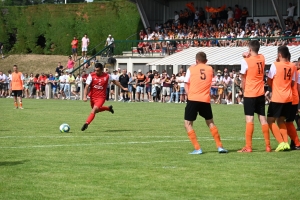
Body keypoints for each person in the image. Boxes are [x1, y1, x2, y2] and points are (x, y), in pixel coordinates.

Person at [184, 52, 228, 154]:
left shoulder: (191, 69)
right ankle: (220, 146)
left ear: (196, 60)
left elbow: (186, 84)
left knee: (188, 123)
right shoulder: (210, 69)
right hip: (205, 99)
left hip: (193, 98)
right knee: (210, 122)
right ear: (206, 61)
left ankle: (197, 148)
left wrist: (189, 96)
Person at [238, 40, 271, 153]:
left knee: (249, 119)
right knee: (262, 119)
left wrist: (243, 90)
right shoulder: (262, 58)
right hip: (260, 92)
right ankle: (268, 146)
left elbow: (243, 78)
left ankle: (248, 146)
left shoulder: (245, 61)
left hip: (250, 92)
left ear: (250, 49)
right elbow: (257, 54)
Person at [81, 63, 127, 131]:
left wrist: (123, 88)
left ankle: (86, 123)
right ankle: (108, 108)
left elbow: (115, 82)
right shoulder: (91, 75)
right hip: (92, 97)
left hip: (101, 97)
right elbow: (87, 86)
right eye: (95, 70)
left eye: (98, 70)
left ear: (102, 70)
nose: (96, 72)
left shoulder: (107, 76)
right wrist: (85, 96)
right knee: (96, 110)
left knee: (94, 110)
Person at [267, 46, 295, 152]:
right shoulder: (292, 66)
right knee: (281, 120)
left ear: (279, 55)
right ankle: (286, 143)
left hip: (278, 97)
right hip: (288, 97)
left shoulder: (275, 65)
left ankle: (281, 142)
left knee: (270, 120)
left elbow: (269, 81)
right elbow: (292, 83)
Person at [286, 60, 300, 150]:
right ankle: (294, 142)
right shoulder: (296, 71)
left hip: (291, 99)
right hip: (295, 98)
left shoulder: (296, 72)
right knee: (290, 121)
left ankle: (296, 142)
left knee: (287, 122)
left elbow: (297, 87)